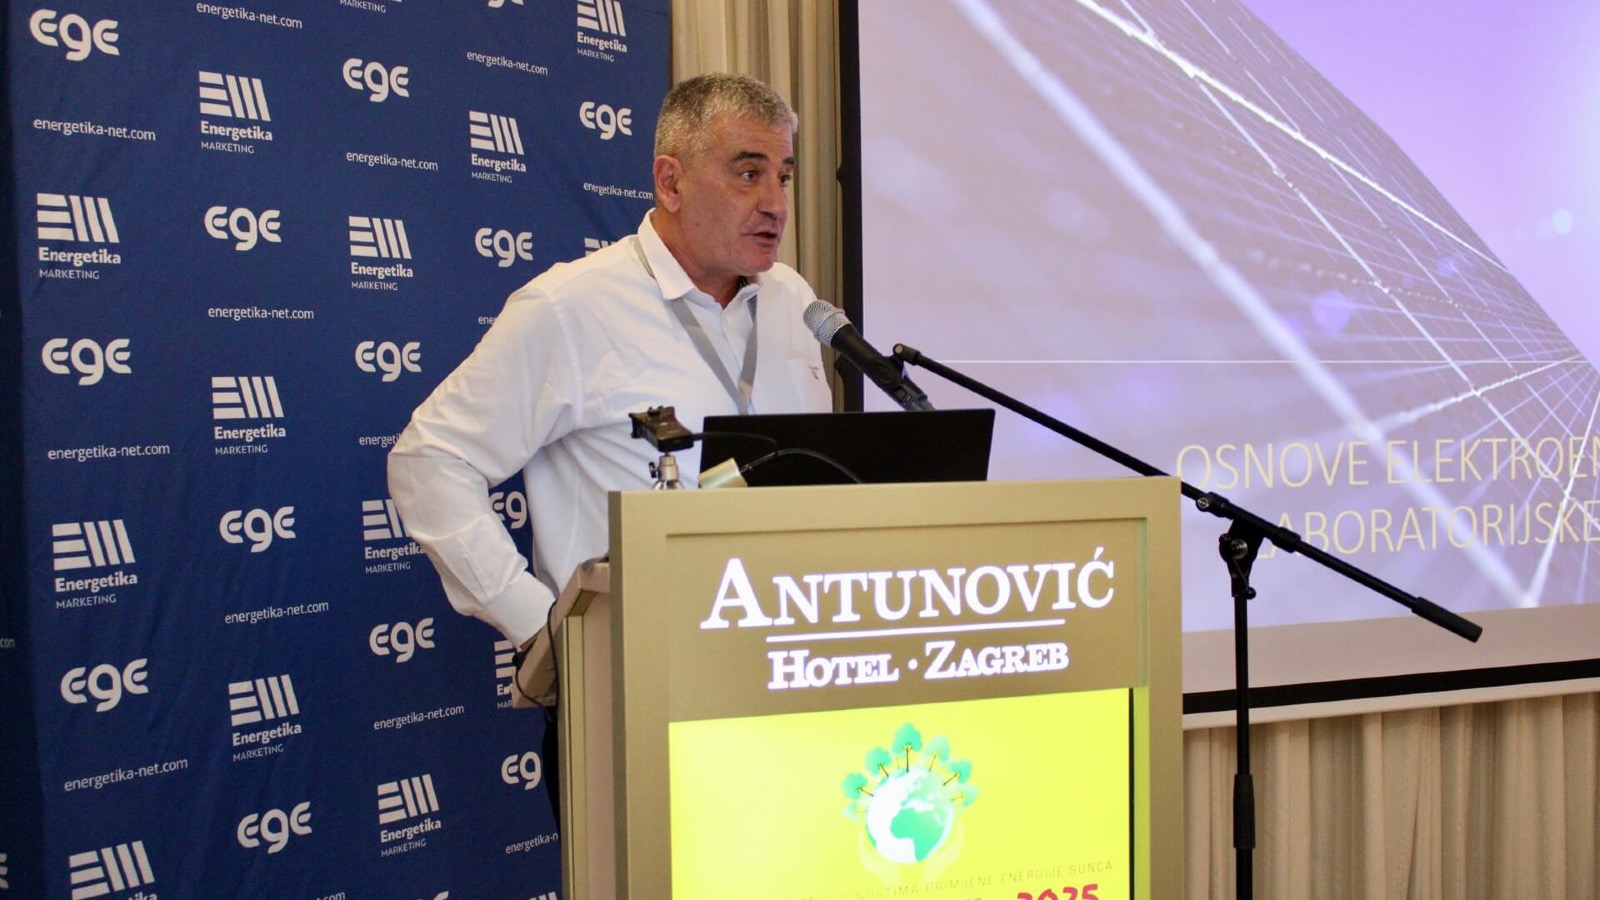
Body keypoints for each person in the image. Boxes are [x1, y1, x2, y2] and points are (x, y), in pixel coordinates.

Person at [386, 73, 833, 815]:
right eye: (748, 172)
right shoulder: (571, 307)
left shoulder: (792, 300)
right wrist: (547, 630)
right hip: (633, 693)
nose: (776, 204)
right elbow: (429, 461)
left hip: (786, 679)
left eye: (783, 176)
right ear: (671, 181)